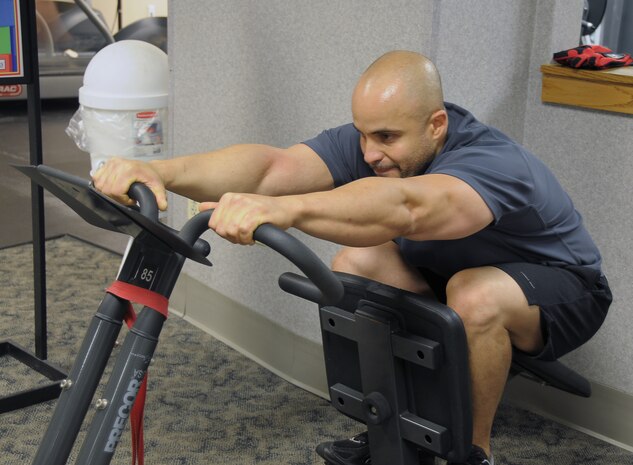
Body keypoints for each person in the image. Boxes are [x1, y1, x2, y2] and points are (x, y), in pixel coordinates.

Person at [93, 50, 612, 465]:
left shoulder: (490, 161)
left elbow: (408, 209)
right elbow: (272, 168)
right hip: (451, 275)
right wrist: (161, 170)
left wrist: (285, 210)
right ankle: (395, 430)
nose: (368, 154)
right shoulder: (377, 143)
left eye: (386, 138)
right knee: (358, 265)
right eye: (363, 134)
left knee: (475, 293)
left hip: (563, 289)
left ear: (436, 124)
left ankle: (471, 452)